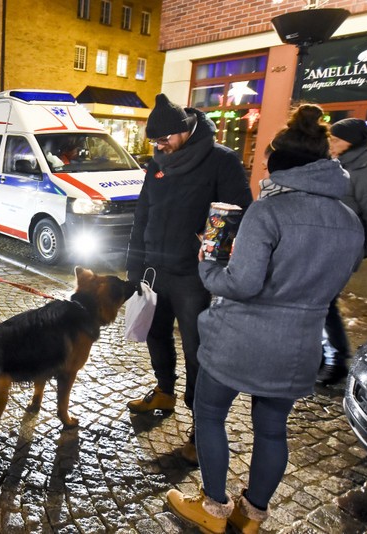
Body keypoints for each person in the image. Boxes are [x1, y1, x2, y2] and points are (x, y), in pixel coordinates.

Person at [165, 104, 364, 534]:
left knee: (210, 413)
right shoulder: (349, 221)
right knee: (272, 430)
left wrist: (209, 261)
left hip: (241, 340)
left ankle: (213, 507)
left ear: (280, 165)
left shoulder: (269, 211)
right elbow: (336, 278)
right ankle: (251, 517)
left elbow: (241, 283)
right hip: (299, 345)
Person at [125, 93, 252, 464]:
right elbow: (143, 214)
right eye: (154, 141)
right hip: (155, 267)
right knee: (154, 332)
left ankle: (201, 427)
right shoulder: (157, 163)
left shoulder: (221, 160)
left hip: (194, 275)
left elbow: (240, 213)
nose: (159, 146)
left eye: (164, 139)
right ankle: (164, 390)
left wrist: (210, 243)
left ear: (185, 129)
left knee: (197, 350)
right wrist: (134, 265)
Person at [319, 118, 367, 385]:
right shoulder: (337, 164)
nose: (332, 143)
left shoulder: (364, 171)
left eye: (337, 139)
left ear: (351, 142)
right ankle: (322, 356)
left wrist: (358, 249)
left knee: (323, 302)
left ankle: (336, 360)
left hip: (343, 248)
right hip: (324, 244)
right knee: (317, 300)